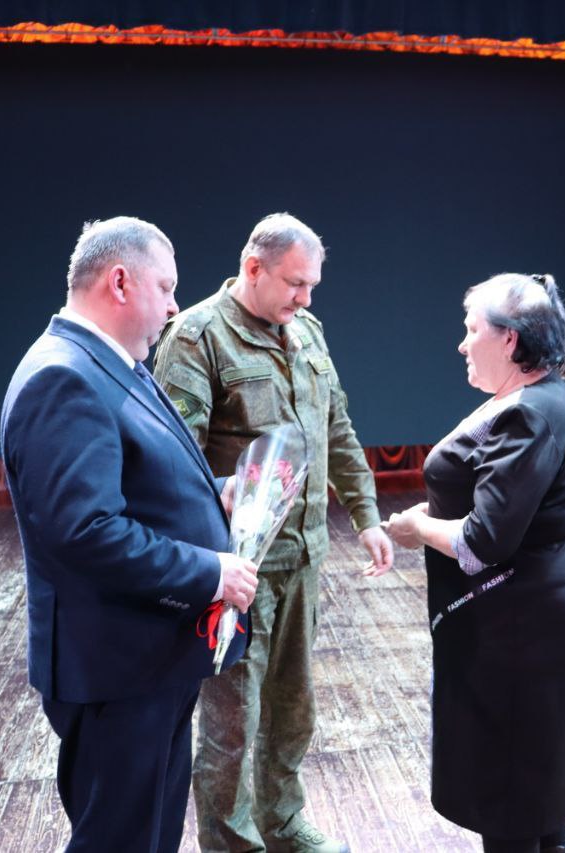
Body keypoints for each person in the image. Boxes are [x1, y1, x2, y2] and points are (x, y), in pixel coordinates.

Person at [0, 216, 260, 852]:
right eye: (166, 287)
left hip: (147, 660)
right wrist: (211, 572)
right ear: (119, 283)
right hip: (116, 669)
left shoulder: (109, 364)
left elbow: (142, 479)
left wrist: (217, 494)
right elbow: (86, 531)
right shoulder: (64, 376)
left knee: (150, 835)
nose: (174, 306)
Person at [153, 212, 394, 853]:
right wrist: (217, 507)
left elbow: (336, 427)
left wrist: (366, 514)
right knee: (233, 722)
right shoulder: (197, 336)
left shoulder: (306, 331)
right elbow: (172, 461)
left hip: (303, 559)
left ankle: (282, 823)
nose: (305, 298)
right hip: (240, 572)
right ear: (253, 268)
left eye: (312, 285)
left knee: (292, 709)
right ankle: (232, 845)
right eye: (295, 283)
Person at [384, 273, 565, 853]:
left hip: (519, 630)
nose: (462, 344)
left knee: (513, 797)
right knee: (538, 796)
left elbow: (483, 544)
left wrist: (416, 529)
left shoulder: (529, 414)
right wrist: (437, 514)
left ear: (509, 340)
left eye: (471, 330)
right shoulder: (537, 397)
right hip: (536, 616)